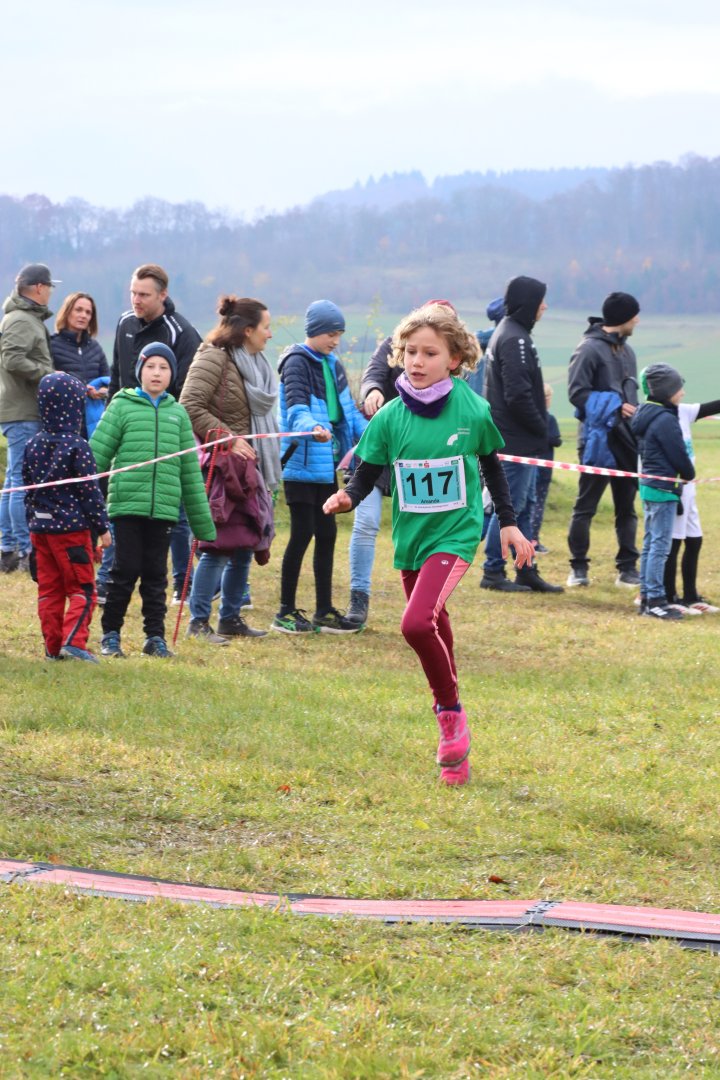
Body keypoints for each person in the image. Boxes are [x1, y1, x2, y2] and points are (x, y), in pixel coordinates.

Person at [323, 302, 534, 785]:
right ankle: (457, 759)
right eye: (411, 352)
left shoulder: (471, 409)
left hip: (455, 535)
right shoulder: (390, 417)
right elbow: (367, 470)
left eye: (430, 353)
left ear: (454, 359)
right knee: (435, 622)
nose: (417, 361)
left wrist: (508, 523)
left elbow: (491, 464)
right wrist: (348, 496)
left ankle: (449, 714)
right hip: (411, 539)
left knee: (416, 624)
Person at [90, 342, 216, 658]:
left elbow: (190, 473)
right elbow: (96, 457)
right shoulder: (121, 406)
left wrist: (202, 525)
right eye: (150, 366)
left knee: (156, 576)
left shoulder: (178, 414)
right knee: (124, 571)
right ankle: (111, 635)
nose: (156, 373)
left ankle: (155, 637)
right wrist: (80, 498)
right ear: (140, 371)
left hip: (163, 511)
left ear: (172, 374)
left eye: (163, 367)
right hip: (126, 507)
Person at [180, 296, 276, 641]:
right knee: (217, 546)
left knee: (245, 543)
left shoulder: (254, 364)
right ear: (247, 330)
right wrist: (228, 439)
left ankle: (231, 618)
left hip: (249, 468)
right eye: (266, 327)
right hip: (222, 468)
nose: (270, 334)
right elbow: (189, 405)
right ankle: (198, 622)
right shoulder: (214, 357)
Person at [273, 299, 367, 634]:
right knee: (302, 533)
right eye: (331, 334)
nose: (336, 340)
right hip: (300, 463)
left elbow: (348, 413)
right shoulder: (296, 362)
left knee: (327, 534)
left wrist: (375, 436)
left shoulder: (333, 364)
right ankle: (285, 612)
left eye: (339, 334)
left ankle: (324, 610)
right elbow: (296, 407)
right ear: (314, 331)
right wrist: (312, 427)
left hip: (326, 464)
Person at [109, 263, 202, 604]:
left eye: (144, 295)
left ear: (163, 295)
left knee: (175, 512)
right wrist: (112, 419)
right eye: (133, 293)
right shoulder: (124, 323)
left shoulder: (182, 332)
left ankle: (183, 583)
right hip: (126, 428)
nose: (136, 300)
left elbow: (189, 393)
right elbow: (117, 375)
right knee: (120, 504)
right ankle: (110, 577)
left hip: (166, 432)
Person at [480, 276, 563, 594]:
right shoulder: (514, 339)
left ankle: (526, 569)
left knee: (523, 505)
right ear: (529, 303)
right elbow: (518, 395)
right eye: (541, 300)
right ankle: (493, 570)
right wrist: (542, 428)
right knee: (510, 507)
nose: (545, 306)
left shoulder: (512, 333)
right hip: (514, 439)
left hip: (518, 439)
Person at [22, 372, 112, 661]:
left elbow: (27, 489)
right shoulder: (77, 446)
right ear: (74, 407)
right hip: (71, 532)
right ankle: (74, 642)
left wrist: (32, 523)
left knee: (49, 591)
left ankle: (52, 647)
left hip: (40, 531)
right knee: (82, 588)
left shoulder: (33, 444)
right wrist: (103, 527)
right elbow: (90, 492)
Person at [566, 292, 641, 588]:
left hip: (627, 441)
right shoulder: (588, 349)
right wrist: (614, 406)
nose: (637, 321)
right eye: (634, 315)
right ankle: (578, 569)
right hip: (597, 441)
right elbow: (577, 393)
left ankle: (628, 569)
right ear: (623, 318)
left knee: (627, 508)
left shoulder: (628, 352)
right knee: (586, 507)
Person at [0, 263, 58, 573]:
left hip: (18, 410)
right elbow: (12, 359)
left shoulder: (22, 317)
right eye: (49, 286)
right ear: (38, 287)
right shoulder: (22, 319)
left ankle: (8, 549)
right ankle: (24, 551)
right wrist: (48, 374)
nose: (50, 292)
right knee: (21, 480)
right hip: (23, 411)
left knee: (13, 480)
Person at [631, 364, 695, 620]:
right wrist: (688, 474)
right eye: (678, 388)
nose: (682, 393)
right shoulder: (665, 419)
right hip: (662, 489)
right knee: (659, 546)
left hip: (649, 487)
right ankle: (657, 601)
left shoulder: (646, 414)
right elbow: (678, 454)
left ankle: (647, 597)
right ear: (666, 391)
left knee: (650, 544)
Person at [345, 334, 400, 626]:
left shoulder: (448, 355)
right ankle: (359, 598)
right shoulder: (394, 343)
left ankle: (424, 599)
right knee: (366, 523)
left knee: (418, 529)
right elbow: (373, 373)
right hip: (377, 450)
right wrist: (373, 390)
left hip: (416, 456)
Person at [663, 395, 720, 615]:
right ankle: (669, 596)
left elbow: (712, 406)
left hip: (690, 486)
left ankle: (690, 596)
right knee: (673, 542)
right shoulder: (661, 416)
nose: (683, 392)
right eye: (678, 388)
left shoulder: (684, 410)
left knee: (694, 540)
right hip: (674, 486)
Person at [50, 292, 110, 437]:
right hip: (62, 422)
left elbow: (108, 379)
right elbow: (49, 380)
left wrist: (102, 392)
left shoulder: (95, 348)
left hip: (93, 423)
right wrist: (82, 387)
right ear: (67, 311)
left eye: (88, 312)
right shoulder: (52, 344)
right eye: (78, 310)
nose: (83, 315)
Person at [529, 382, 562, 553]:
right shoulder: (550, 419)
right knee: (538, 504)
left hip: (528, 467)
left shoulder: (527, 418)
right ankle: (533, 540)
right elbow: (556, 440)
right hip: (544, 468)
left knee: (526, 504)